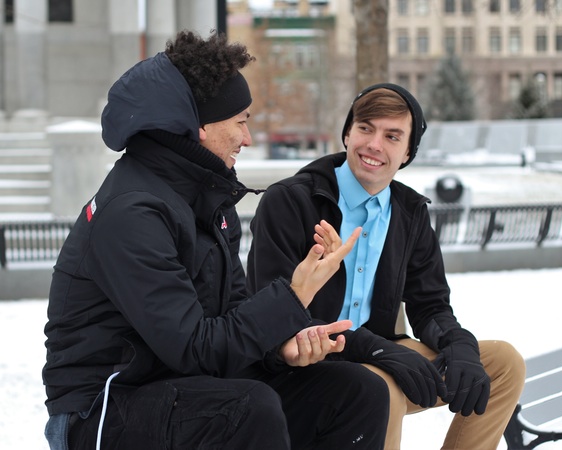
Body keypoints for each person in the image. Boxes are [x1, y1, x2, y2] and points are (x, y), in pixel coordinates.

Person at [42, 31, 392, 450]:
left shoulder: (207, 199)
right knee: (247, 407)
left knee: (356, 392)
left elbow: (229, 319)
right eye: (241, 121)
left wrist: (281, 348)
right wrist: (294, 295)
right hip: (101, 411)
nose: (247, 137)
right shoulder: (133, 211)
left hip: (184, 388)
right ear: (200, 127)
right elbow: (193, 347)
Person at [246, 83, 527, 449]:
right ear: (347, 132)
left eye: (392, 136)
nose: (375, 145)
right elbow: (273, 312)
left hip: (382, 353)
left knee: (503, 363)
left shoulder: (409, 213)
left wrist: (459, 345)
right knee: (380, 388)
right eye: (366, 128)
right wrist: (377, 350)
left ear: (408, 151)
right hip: (306, 361)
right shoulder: (291, 201)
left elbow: (431, 305)